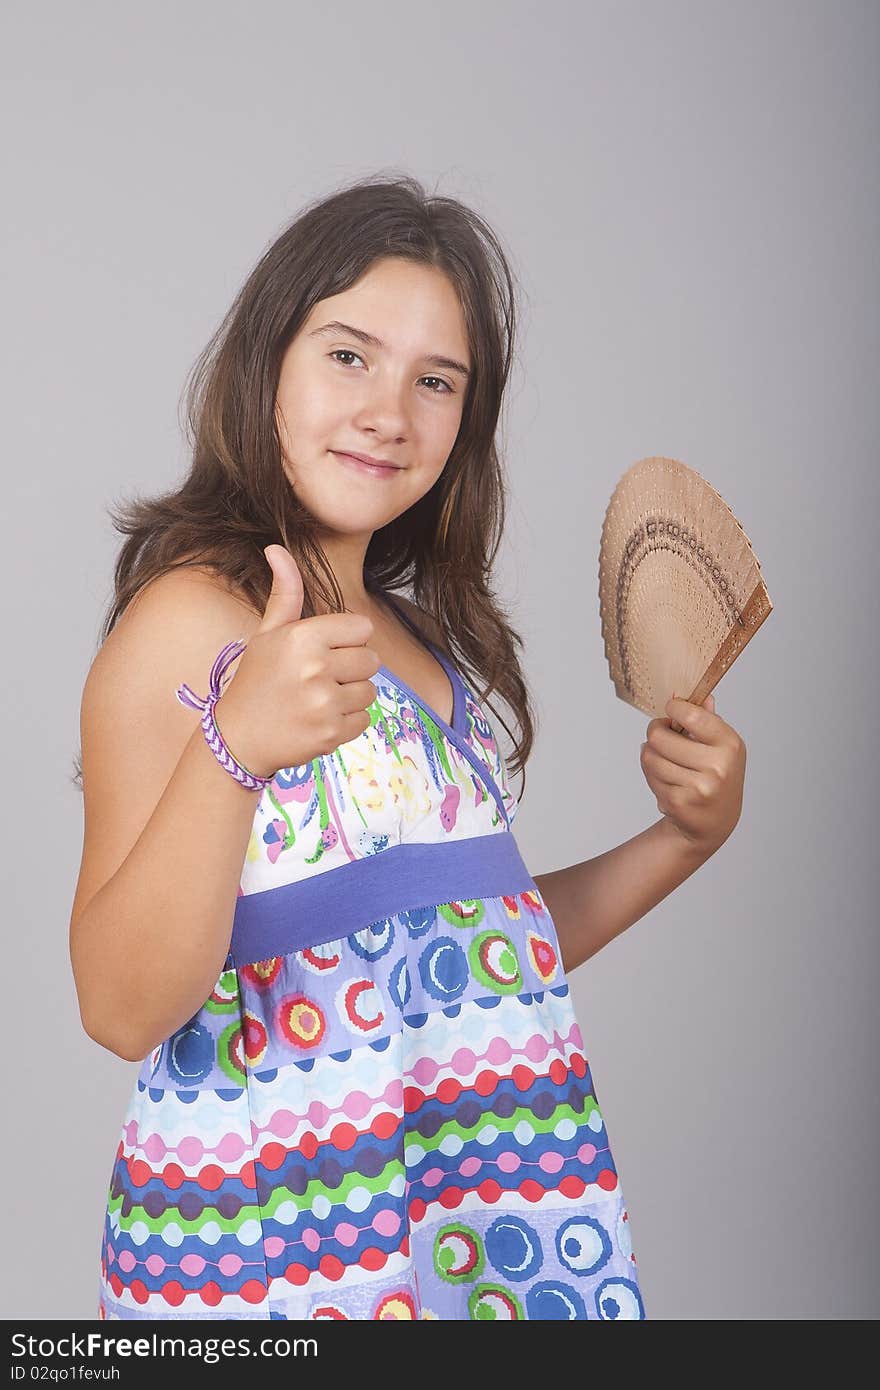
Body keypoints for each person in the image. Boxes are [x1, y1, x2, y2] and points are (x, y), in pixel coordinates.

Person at [69, 174, 746, 1321]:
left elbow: (475, 948)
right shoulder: (190, 623)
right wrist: (236, 743)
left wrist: (682, 840)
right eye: (348, 355)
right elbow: (120, 1003)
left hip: (485, 1215)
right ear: (264, 364)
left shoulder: (421, 642)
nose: (391, 410)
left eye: (437, 381)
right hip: (286, 1246)